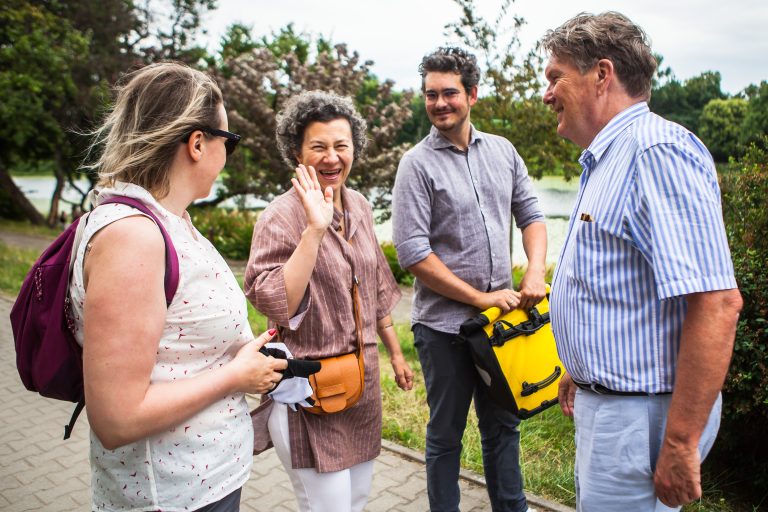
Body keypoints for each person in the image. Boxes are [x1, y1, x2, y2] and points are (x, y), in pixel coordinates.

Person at [540, 12, 743, 511]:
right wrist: (581, 365)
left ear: (601, 74)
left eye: (555, 77)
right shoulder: (609, 158)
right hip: (618, 409)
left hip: (639, 417)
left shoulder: (654, 151)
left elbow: (716, 303)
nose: (546, 94)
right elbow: (621, 286)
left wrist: (680, 442)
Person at [69, 61, 288, 511]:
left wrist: (248, 358)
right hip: (171, 496)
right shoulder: (132, 238)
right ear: (197, 143)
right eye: (229, 141)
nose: (228, 155)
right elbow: (116, 419)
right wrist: (236, 376)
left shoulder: (169, 221)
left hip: (206, 480)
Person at [392, 47, 547, 512]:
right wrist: (480, 297)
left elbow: (532, 215)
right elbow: (412, 253)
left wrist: (534, 270)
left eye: (449, 93)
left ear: (472, 94)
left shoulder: (503, 151)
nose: (439, 103)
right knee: (446, 436)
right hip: (444, 330)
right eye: (430, 94)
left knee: (503, 427)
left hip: (499, 326)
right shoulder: (415, 165)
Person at [244, 90, 414, 512]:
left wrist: (396, 355)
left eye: (342, 145)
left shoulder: (359, 206)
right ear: (296, 152)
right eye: (318, 147)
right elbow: (276, 302)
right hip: (310, 395)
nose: (332, 157)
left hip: (361, 389)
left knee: (356, 502)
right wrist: (314, 230)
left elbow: (375, 289)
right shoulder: (279, 217)